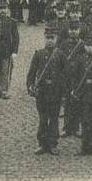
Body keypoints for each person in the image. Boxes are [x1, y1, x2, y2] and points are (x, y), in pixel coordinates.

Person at [27, 22, 66, 155]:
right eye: (48, 38)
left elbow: (66, 74)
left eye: (52, 38)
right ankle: (42, 144)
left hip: (55, 92)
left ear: (56, 39)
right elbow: (31, 73)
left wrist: (64, 93)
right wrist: (31, 87)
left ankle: (53, 143)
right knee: (43, 119)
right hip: (42, 93)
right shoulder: (38, 54)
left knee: (54, 118)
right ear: (44, 38)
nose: (50, 41)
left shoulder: (60, 55)